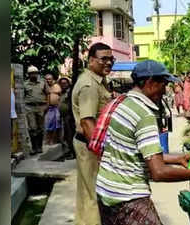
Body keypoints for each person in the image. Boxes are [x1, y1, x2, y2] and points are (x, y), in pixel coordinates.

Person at [96, 60, 190, 225]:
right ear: (150, 83)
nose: (165, 90)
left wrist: (177, 158)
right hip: (128, 197)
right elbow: (159, 172)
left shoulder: (121, 103)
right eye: (164, 84)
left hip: (106, 190)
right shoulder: (143, 115)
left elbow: (132, 151)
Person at [71, 42, 113, 225]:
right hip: (90, 146)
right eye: (104, 59)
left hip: (88, 145)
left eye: (111, 59)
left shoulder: (98, 81)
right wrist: (101, 152)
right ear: (91, 61)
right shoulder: (89, 85)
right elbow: (88, 123)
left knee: (87, 192)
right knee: (93, 194)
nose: (109, 63)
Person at [24, 65, 48, 154]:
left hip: (41, 107)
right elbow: (22, 96)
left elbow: (47, 94)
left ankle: (39, 147)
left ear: (37, 74)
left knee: (40, 128)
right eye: (31, 73)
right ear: (28, 74)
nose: (33, 75)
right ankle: (34, 147)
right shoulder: (25, 84)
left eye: (35, 73)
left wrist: (47, 105)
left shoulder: (42, 83)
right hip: (29, 107)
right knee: (32, 128)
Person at [58, 77, 75, 159]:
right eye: (62, 83)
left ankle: (73, 153)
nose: (63, 85)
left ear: (68, 84)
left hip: (69, 116)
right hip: (63, 116)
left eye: (65, 83)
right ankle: (68, 151)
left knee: (70, 135)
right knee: (65, 136)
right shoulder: (62, 93)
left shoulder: (70, 92)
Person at [44, 73, 62, 145]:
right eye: (47, 79)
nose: (48, 80)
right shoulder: (45, 87)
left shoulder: (56, 86)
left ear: (52, 79)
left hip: (56, 108)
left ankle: (54, 140)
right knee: (49, 125)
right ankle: (48, 140)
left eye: (49, 79)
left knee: (56, 125)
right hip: (49, 108)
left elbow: (59, 93)